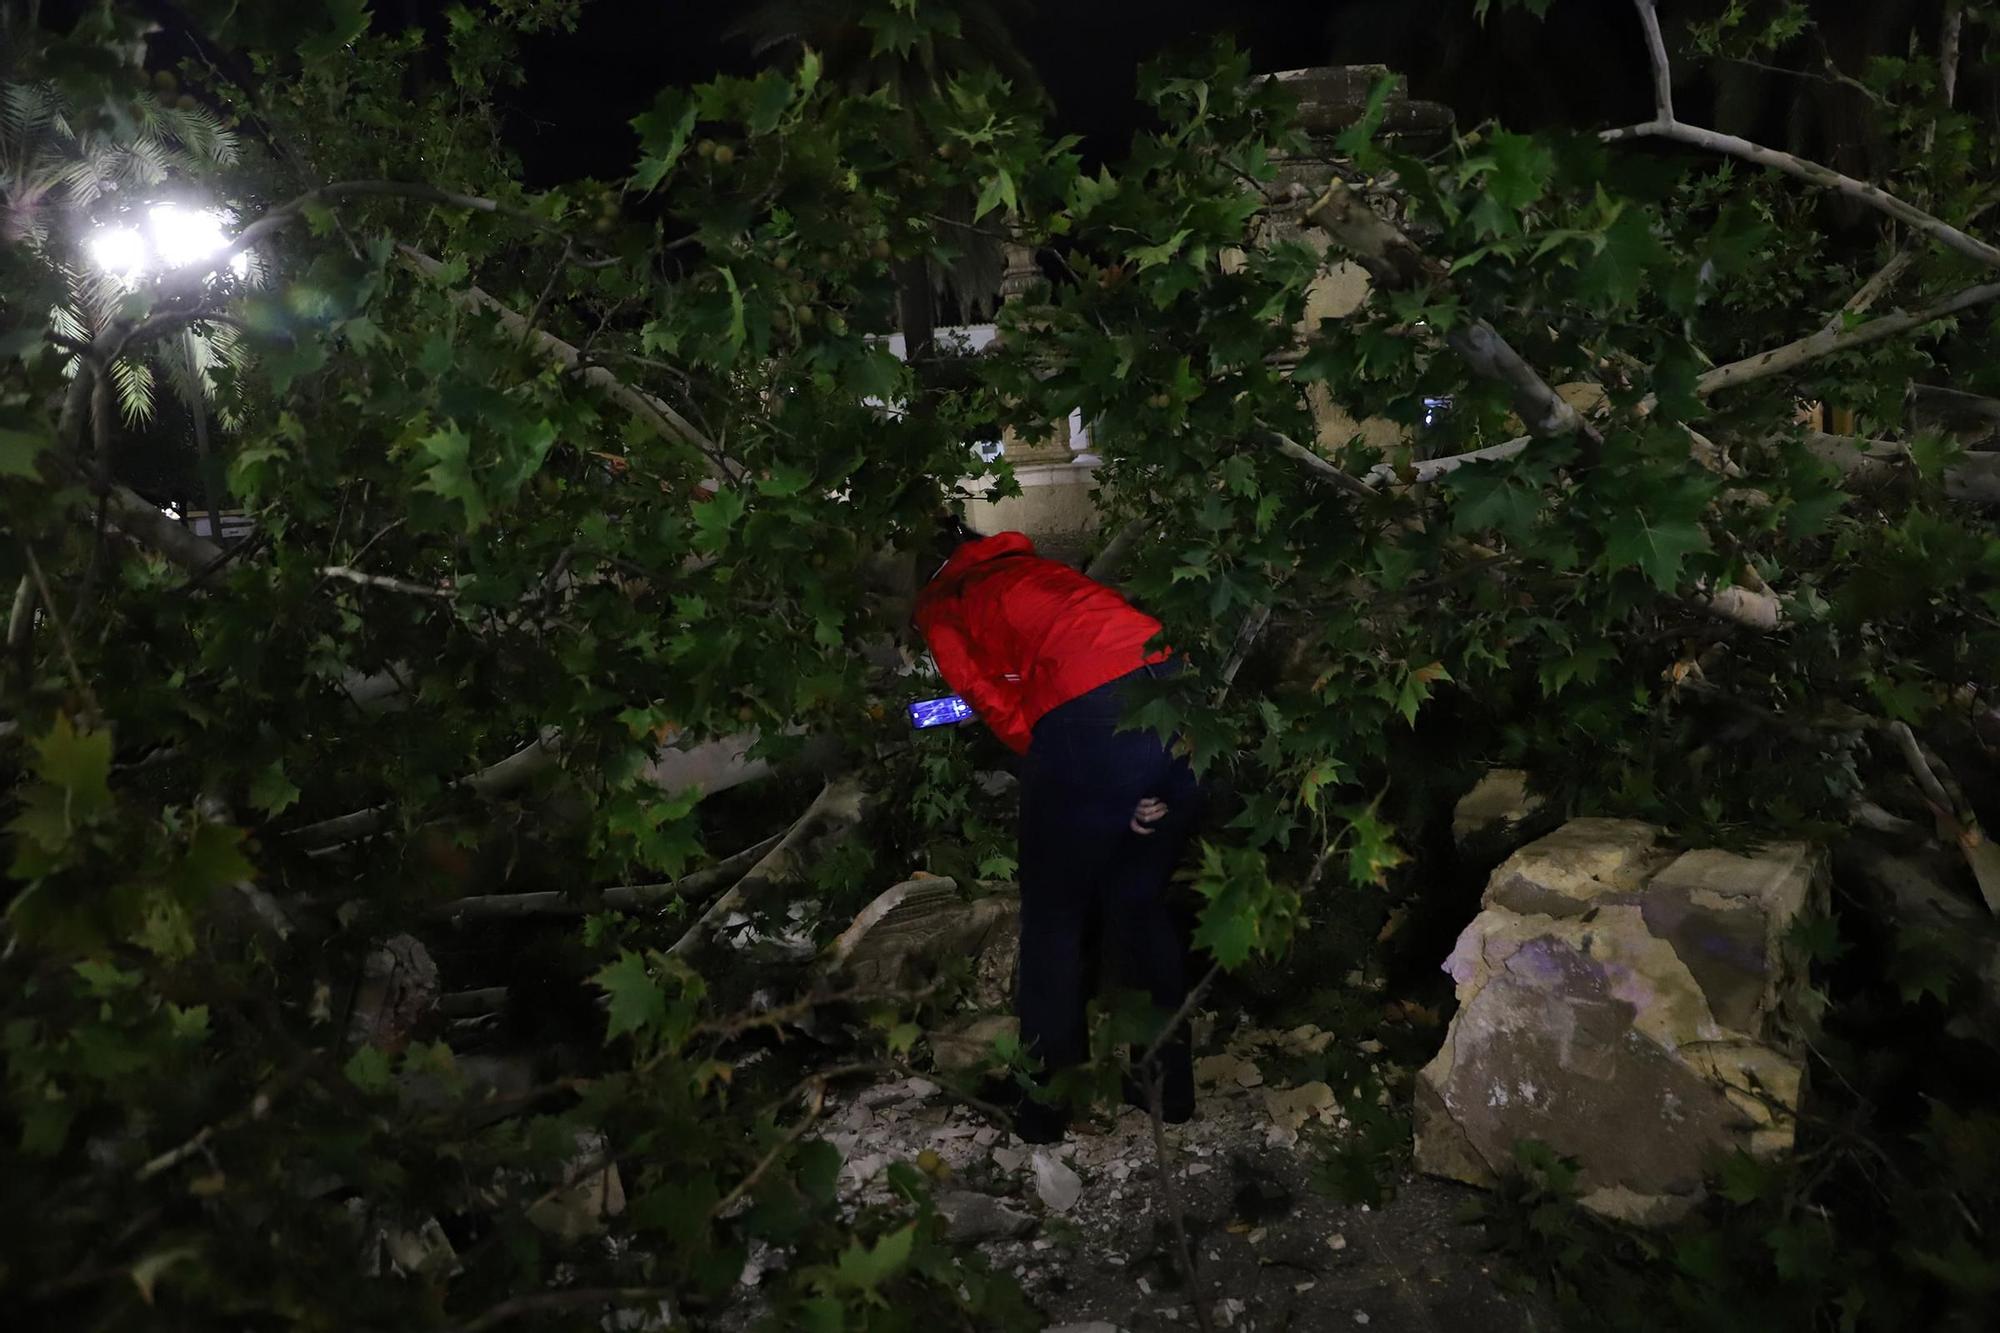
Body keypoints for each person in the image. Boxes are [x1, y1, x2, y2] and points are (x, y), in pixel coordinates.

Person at [914, 516, 1201, 1142]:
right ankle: (1168, 1089)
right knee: (1139, 903)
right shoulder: (1034, 573)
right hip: (1175, 693)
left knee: (1054, 919)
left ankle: (1043, 1109)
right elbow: (1038, 669)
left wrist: (1047, 758)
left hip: (1090, 722)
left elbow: (990, 699)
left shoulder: (943, 603)